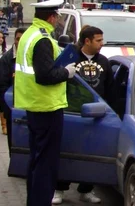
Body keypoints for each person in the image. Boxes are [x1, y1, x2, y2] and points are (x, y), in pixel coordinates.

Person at [14, 0, 76, 206]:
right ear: (51, 17)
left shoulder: (29, 35)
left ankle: (34, 200)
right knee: (46, 164)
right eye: (57, 16)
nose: (58, 20)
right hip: (46, 106)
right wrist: (67, 72)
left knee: (37, 159)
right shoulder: (43, 40)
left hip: (34, 104)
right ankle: (40, 201)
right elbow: (45, 76)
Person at [54, 26, 110, 204]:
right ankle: (59, 189)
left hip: (96, 115)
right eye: (98, 40)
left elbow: (111, 88)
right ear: (87, 41)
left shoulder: (104, 62)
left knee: (92, 153)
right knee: (68, 150)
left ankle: (86, 190)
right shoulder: (71, 58)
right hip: (71, 112)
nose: (102, 43)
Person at [0, 27, 26, 143]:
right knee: (14, 146)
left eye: (23, 39)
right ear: (14, 40)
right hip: (14, 113)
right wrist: (8, 110)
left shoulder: (32, 57)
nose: (20, 42)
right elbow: (0, 86)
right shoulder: (6, 60)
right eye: (18, 39)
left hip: (30, 110)